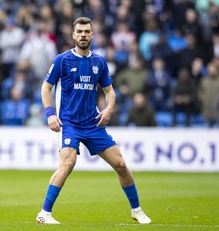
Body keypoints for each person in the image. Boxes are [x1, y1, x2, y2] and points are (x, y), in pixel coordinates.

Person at [36, 17, 151, 224]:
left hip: (93, 123)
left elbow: (110, 91)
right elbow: (46, 87)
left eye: (86, 31)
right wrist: (50, 114)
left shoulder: (99, 62)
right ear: (73, 35)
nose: (82, 35)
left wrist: (109, 109)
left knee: (121, 164)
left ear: (92, 35)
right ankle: (45, 213)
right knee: (68, 163)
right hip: (70, 123)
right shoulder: (62, 60)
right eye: (79, 31)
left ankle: (136, 210)